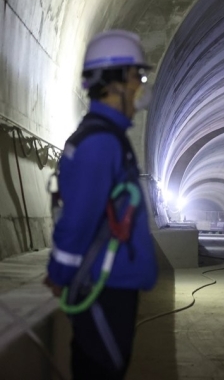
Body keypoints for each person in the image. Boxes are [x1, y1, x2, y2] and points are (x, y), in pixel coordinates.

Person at [43, 30, 158, 379]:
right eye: (136, 76)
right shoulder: (100, 144)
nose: (140, 86)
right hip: (103, 290)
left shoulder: (106, 137)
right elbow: (77, 220)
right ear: (116, 81)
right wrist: (60, 273)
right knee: (102, 369)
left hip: (111, 286)